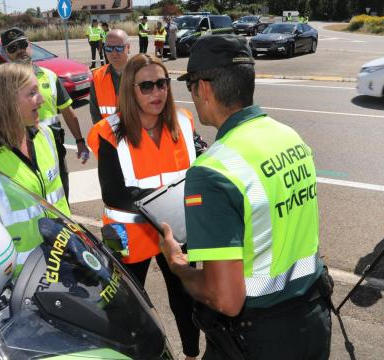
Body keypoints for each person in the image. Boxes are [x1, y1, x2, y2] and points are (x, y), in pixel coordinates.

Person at [161, 34, 332, 359]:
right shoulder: (289, 137)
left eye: (190, 88)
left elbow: (225, 298)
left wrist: (178, 266)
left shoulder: (212, 171)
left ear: (204, 89)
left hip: (258, 338)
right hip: (312, 318)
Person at [87, 54, 201, 360]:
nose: (157, 93)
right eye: (147, 86)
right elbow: (114, 194)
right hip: (128, 235)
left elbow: (201, 168)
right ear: (130, 90)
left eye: (161, 83)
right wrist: (168, 198)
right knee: (126, 306)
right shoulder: (108, 131)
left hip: (174, 230)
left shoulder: (183, 121)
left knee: (186, 297)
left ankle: (191, 355)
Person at [0, 63, 70, 267]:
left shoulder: (47, 136)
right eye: (32, 93)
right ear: (6, 101)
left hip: (63, 258)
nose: (42, 100)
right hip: (19, 277)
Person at [0, 27, 89, 202]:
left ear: (30, 45)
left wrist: (80, 141)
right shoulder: (3, 83)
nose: (19, 51)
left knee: (59, 193)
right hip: (20, 151)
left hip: (53, 147)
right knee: (30, 198)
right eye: (12, 48)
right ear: (6, 53)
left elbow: (68, 112)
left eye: (22, 45)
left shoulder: (49, 76)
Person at [90, 29, 130, 124]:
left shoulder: (142, 74)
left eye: (119, 48)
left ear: (128, 47)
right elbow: (95, 113)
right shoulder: (97, 76)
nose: (114, 53)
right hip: (108, 135)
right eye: (109, 48)